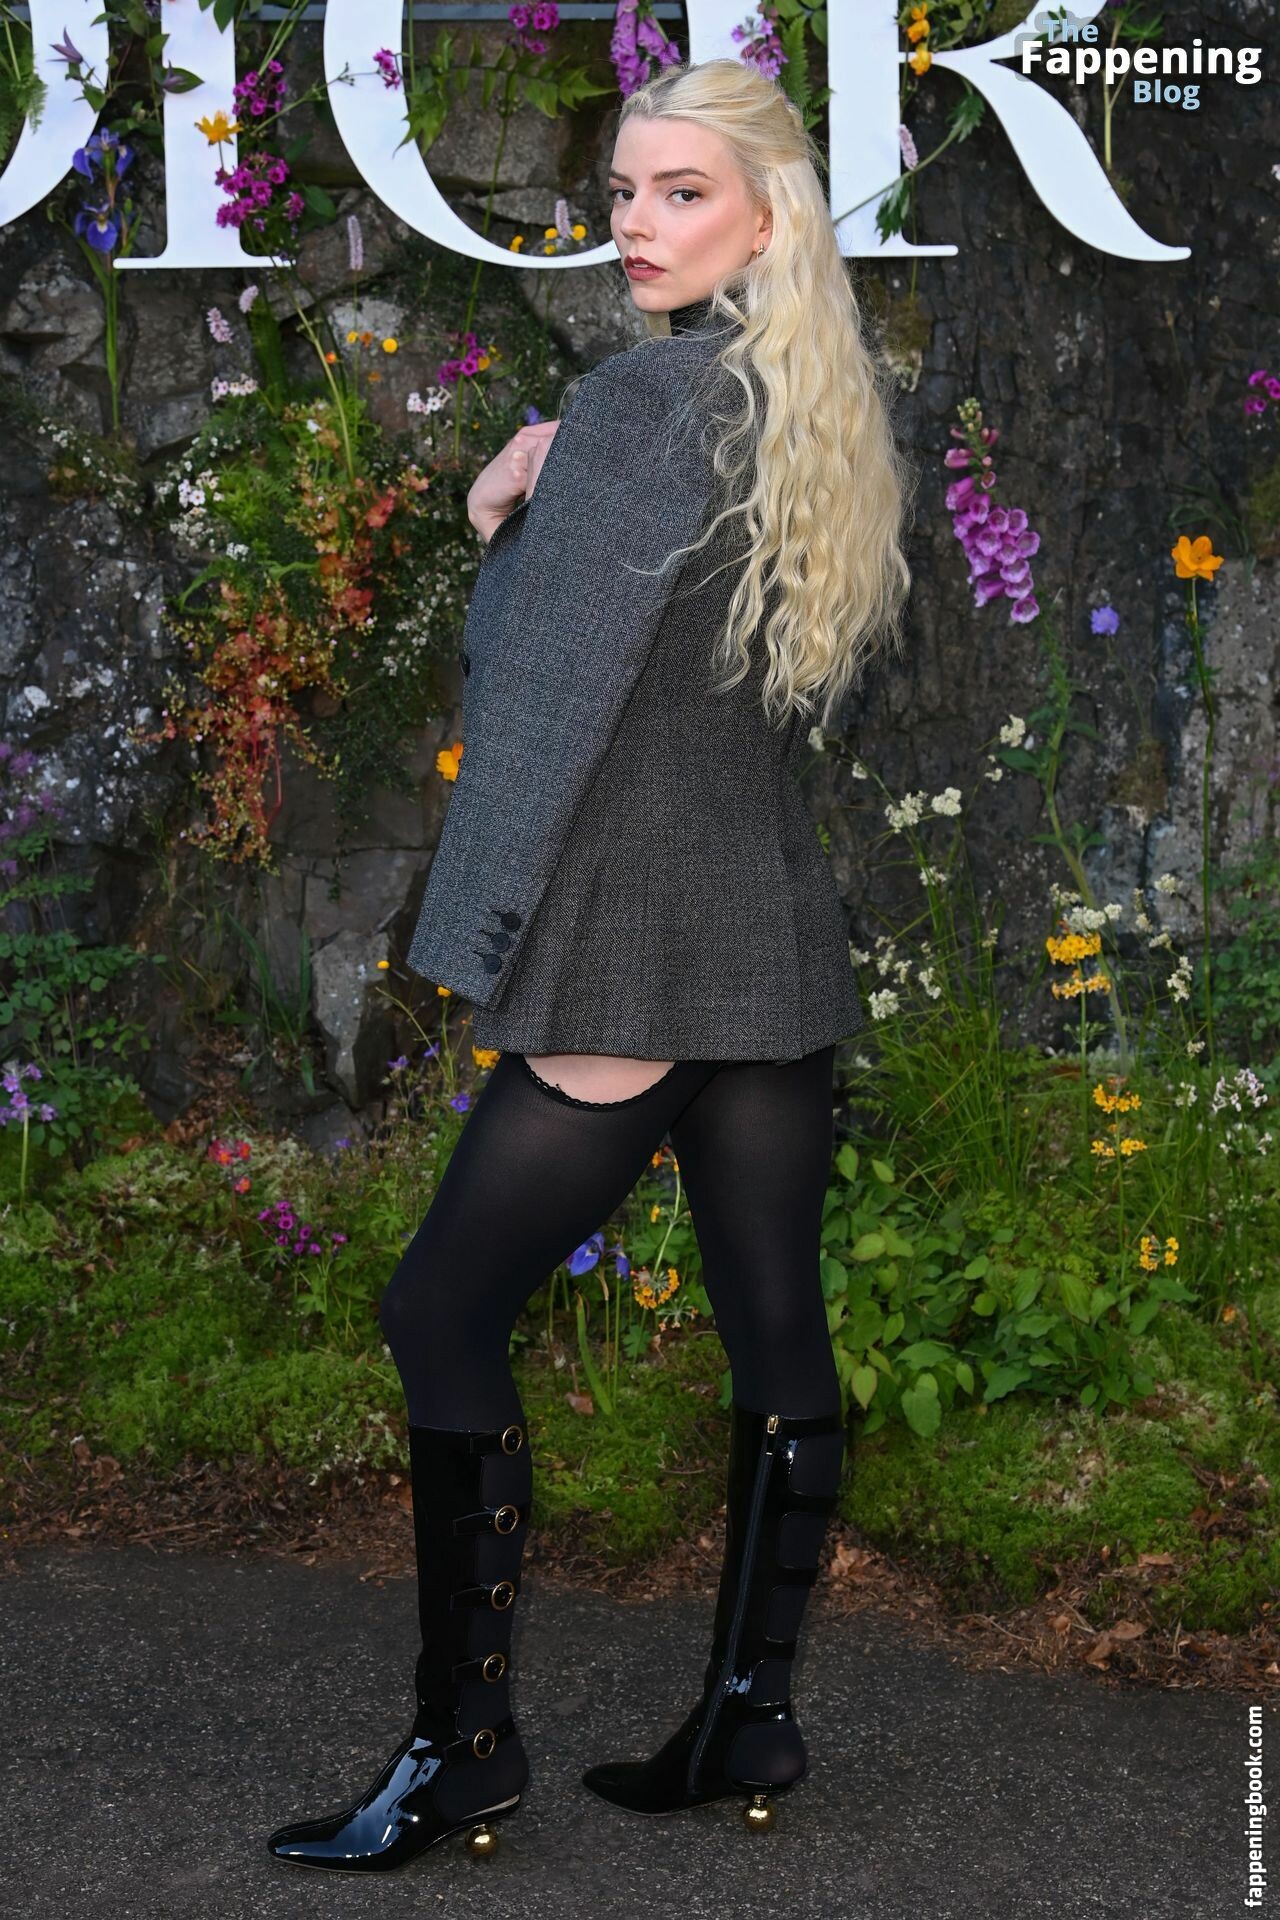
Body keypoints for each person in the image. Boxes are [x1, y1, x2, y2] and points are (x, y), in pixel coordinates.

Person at [266, 55, 912, 1875]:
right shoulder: (820, 409)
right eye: (625, 189)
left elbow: (541, 696)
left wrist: (498, 524)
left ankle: (464, 1751)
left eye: (679, 192)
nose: (635, 221)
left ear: (766, 219)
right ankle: (749, 1716)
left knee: (438, 1313)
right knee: (776, 1321)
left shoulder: (636, 405)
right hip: (767, 941)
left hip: (631, 948)